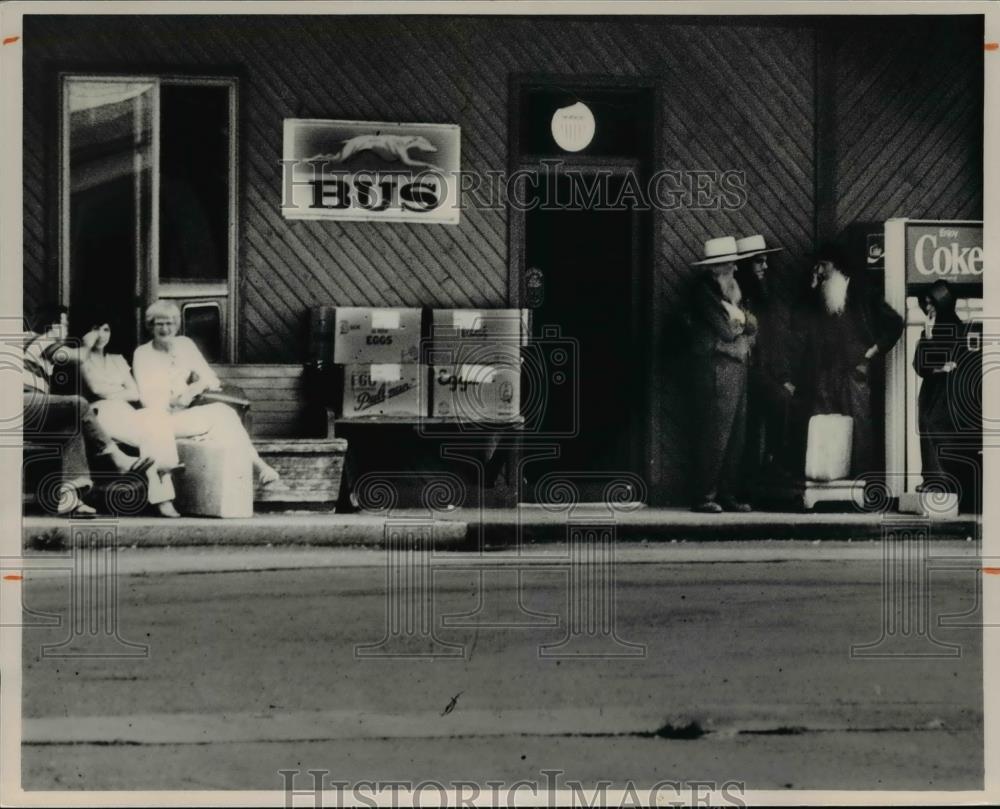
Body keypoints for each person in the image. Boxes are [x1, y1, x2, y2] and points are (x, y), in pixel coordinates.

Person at [22, 303, 153, 517]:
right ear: (53, 326)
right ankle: (117, 458)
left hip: (28, 411)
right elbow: (78, 357)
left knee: (71, 430)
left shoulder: (36, 349)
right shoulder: (36, 339)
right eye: (64, 324)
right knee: (78, 404)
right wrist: (87, 343)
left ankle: (70, 500)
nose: (66, 330)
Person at [131, 299, 279, 486]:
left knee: (225, 413)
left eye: (169, 323)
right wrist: (174, 400)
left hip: (183, 416)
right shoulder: (143, 354)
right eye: (159, 323)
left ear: (177, 325)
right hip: (160, 419)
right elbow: (148, 401)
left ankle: (260, 466)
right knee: (160, 419)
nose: (165, 329)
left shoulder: (185, 345)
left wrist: (194, 388)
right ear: (150, 326)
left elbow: (210, 378)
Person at [802, 243, 904, 478]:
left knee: (859, 424)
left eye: (823, 265)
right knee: (826, 423)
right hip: (827, 370)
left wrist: (873, 351)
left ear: (836, 267)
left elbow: (895, 323)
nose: (819, 270)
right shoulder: (821, 293)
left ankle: (861, 479)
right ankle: (831, 476)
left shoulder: (864, 293)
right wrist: (812, 289)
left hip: (855, 368)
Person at [80, 320, 184, 518]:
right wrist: (119, 390)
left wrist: (111, 392)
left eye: (106, 329)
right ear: (86, 332)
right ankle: (163, 493)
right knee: (150, 435)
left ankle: (164, 468)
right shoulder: (82, 357)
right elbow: (95, 388)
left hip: (125, 411)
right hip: (100, 413)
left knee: (156, 417)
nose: (102, 334)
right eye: (96, 328)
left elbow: (135, 393)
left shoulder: (117, 359)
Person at [688, 236, 758, 513]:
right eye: (729, 264)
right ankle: (705, 495)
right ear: (715, 268)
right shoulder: (704, 293)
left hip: (736, 368)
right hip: (718, 368)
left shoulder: (729, 292)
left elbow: (752, 324)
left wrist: (740, 322)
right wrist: (740, 324)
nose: (735, 269)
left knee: (736, 435)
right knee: (717, 434)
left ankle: (726, 493)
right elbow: (727, 331)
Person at [734, 234, 798, 481]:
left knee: (781, 399)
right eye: (758, 262)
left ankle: (774, 463)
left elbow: (772, 343)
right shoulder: (734, 295)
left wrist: (782, 377)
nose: (765, 267)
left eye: (765, 261)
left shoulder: (763, 297)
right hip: (738, 371)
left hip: (758, 372)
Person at [913, 280, 981, 510]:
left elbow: (964, 361)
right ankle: (934, 479)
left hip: (951, 393)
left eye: (933, 303)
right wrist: (929, 338)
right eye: (926, 303)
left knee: (945, 434)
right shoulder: (929, 330)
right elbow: (920, 365)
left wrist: (943, 365)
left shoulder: (960, 330)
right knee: (929, 431)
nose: (929, 308)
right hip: (933, 392)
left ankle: (945, 481)